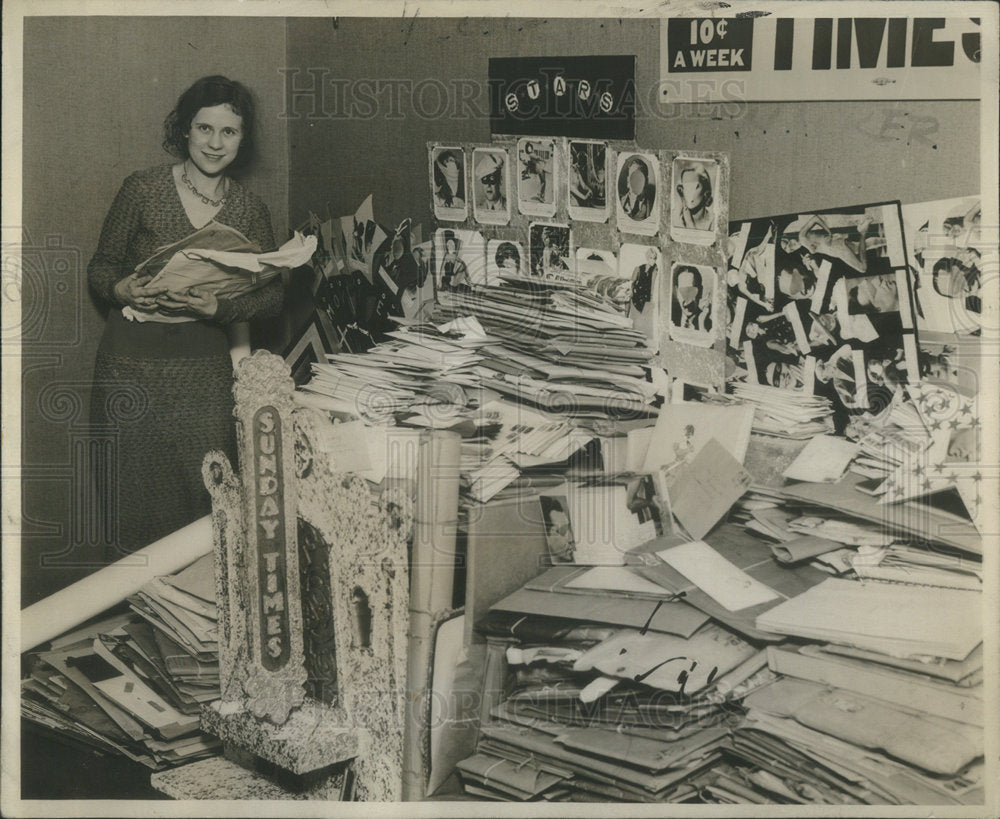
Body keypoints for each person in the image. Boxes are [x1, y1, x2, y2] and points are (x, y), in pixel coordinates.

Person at [87, 75, 283, 555]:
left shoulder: (250, 209)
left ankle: (197, 627)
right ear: (185, 130)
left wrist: (222, 306)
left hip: (204, 376)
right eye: (204, 129)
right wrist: (120, 287)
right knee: (131, 510)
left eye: (229, 132)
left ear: (243, 138)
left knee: (204, 509)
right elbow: (101, 265)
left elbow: (272, 295)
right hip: (129, 370)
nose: (215, 144)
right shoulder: (143, 188)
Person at [672, 265, 712, 331]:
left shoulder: (711, 327)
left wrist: (702, 327)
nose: (687, 298)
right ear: (676, 292)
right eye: (682, 291)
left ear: (700, 292)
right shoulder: (667, 319)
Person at [675, 163, 714, 231]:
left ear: (705, 191)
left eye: (695, 187)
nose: (689, 193)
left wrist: (690, 223)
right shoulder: (676, 221)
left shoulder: (713, 222)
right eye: (686, 186)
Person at [620, 157, 652, 221]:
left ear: (646, 181)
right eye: (633, 177)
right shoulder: (621, 202)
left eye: (639, 178)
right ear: (628, 180)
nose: (635, 182)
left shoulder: (651, 206)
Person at [630, 246, 658, 313]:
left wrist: (651, 298)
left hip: (646, 299)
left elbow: (653, 285)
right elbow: (632, 282)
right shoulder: (639, 268)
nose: (653, 260)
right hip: (636, 296)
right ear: (647, 258)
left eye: (654, 258)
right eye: (651, 258)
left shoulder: (654, 270)